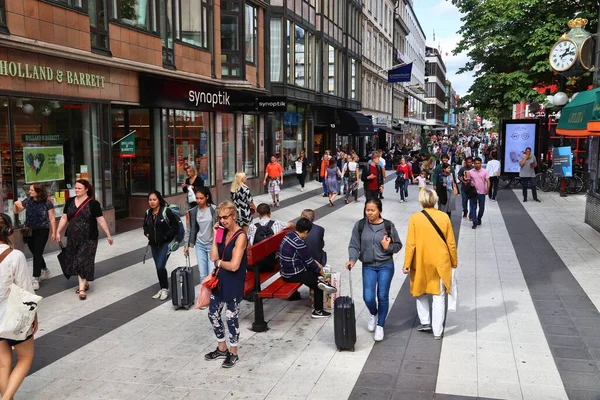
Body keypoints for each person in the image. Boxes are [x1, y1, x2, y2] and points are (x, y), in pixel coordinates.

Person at [403, 189, 457, 339]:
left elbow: (411, 244)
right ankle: (437, 331)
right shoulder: (444, 217)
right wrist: (454, 261)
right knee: (438, 296)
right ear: (435, 199)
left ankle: (425, 321)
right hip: (440, 261)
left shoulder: (415, 218)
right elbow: (451, 243)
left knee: (420, 291)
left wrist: (407, 263)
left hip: (421, 261)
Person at [346, 198, 402, 341]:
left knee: (382, 296)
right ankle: (374, 313)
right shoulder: (360, 225)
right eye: (367, 210)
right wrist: (352, 259)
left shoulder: (388, 226)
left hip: (386, 265)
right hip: (368, 266)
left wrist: (387, 247)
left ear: (379, 211)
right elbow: (354, 245)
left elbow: (398, 245)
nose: (369, 213)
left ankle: (380, 325)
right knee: (368, 297)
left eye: (372, 210)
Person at [0, 213, 38, 400]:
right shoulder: (14, 256)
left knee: (2, 364)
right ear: (8, 230)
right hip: (13, 315)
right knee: (25, 358)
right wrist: (34, 316)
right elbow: (25, 289)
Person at [205, 201, 248, 368]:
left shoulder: (241, 236)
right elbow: (212, 256)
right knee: (213, 314)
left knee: (231, 317)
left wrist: (218, 263)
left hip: (234, 281)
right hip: (220, 279)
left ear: (234, 216)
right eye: (220, 217)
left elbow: (234, 265)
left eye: (225, 217)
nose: (222, 220)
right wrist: (215, 236)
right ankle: (222, 347)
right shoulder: (221, 232)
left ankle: (234, 352)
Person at [55, 179, 113, 300]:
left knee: (83, 260)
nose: (76, 190)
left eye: (79, 188)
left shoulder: (93, 204)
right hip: (72, 237)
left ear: (86, 189)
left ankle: (81, 289)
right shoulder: (70, 201)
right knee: (75, 260)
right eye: (75, 188)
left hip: (89, 238)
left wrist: (108, 234)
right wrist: (58, 231)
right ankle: (84, 283)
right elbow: (65, 218)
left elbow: (100, 220)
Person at [278, 218, 337, 319]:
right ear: (306, 231)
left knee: (315, 275)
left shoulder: (289, 235)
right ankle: (318, 311)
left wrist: (316, 266)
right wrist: (320, 271)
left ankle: (322, 283)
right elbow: (308, 261)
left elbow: (306, 258)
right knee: (318, 284)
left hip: (285, 270)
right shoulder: (299, 243)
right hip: (292, 274)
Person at [12, 183, 57, 290]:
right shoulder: (28, 201)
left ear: (38, 191)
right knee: (36, 253)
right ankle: (45, 269)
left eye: (32, 190)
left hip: (42, 231)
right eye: (30, 190)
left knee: (37, 253)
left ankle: (35, 278)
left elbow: (52, 218)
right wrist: (15, 204)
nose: (30, 192)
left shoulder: (47, 203)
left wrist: (54, 232)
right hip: (29, 231)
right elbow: (16, 211)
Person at [143, 191, 180, 301]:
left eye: (154, 199)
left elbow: (175, 227)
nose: (152, 202)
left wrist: (165, 237)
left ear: (159, 200)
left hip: (165, 244)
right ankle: (162, 287)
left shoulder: (166, 211)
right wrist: (147, 234)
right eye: (150, 200)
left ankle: (165, 289)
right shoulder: (148, 213)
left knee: (160, 265)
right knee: (159, 267)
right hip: (154, 244)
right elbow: (145, 226)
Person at [183, 187, 217, 283]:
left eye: (201, 198)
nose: (198, 200)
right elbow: (189, 229)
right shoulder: (193, 211)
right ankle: (204, 297)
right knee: (202, 275)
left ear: (207, 197)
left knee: (211, 273)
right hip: (200, 245)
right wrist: (186, 245)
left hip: (212, 245)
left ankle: (211, 296)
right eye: (197, 198)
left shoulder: (214, 210)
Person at [468, 157, 490, 229]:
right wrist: (470, 183)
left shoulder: (485, 171)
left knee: (482, 207)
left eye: (478, 163)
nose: (477, 165)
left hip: (482, 192)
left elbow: (488, 181)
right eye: (475, 163)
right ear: (473, 164)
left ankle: (479, 218)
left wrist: (487, 189)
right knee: (473, 207)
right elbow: (468, 180)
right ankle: (474, 222)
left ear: (481, 163)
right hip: (473, 192)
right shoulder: (470, 172)